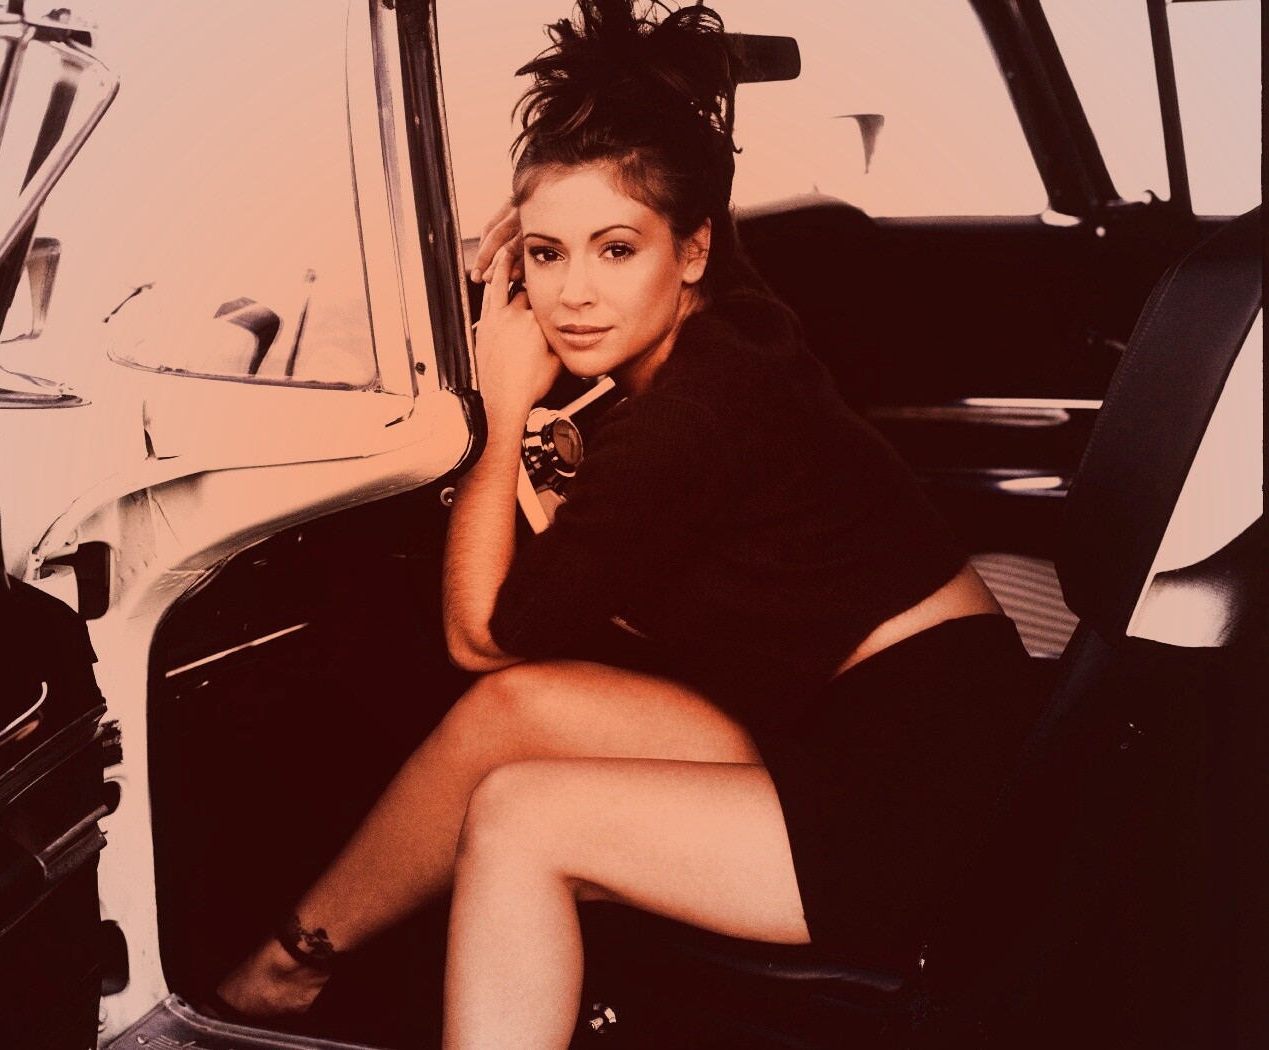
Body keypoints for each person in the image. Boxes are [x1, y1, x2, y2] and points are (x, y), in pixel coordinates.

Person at [208, 1, 1043, 1045]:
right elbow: (516, 662)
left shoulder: (690, 420)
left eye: (615, 250)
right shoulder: (736, 329)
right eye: (546, 256)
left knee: (520, 817)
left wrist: (502, 409)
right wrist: (555, 229)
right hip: (879, 725)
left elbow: (478, 636)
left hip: (911, 798)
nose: (573, 296)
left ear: (689, 252)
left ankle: (296, 976)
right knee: (519, 712)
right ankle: (281, 976)